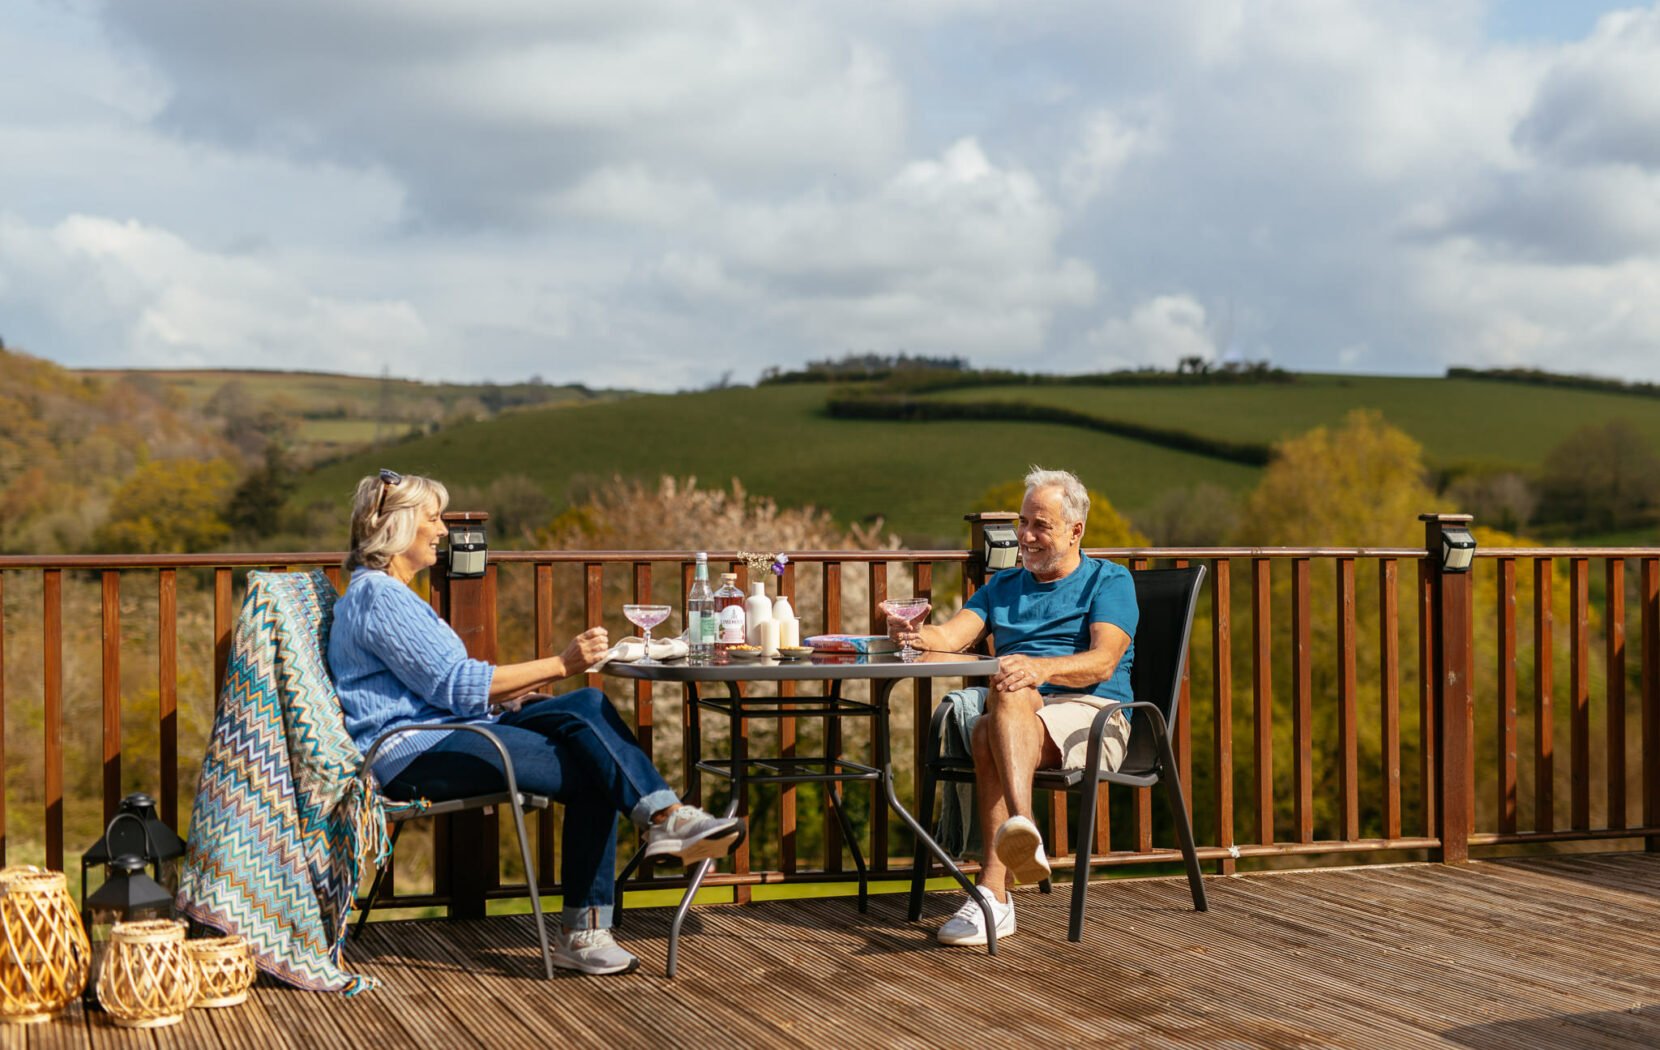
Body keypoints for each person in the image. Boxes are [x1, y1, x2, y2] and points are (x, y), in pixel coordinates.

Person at [327, 468, 744, 976]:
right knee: (598, 768)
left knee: (586, 709)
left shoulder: (385, 594)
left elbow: (441, 689)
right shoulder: (380, 598)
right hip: (414, 752)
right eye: (432, 520)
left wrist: (509, 702)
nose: (442, 531)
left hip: (454, 729)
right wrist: (562, 664)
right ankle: (630, 867)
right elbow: (456, 686)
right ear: (397, 529)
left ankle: (662, 823)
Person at [888, 467, 1138, 946]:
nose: (1025, 536)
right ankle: (1006, 869)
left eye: (1040, 525)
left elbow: (1103, 662)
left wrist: (1040, 669)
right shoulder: (1003, 587)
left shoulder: (1110, 581)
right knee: (993, 716)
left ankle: (1000, 884)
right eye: (1023, 523)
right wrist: (916, 634)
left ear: (1075, 531)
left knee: (998, 705)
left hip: (1093, 714)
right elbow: (951, 637)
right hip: (1017, 712)